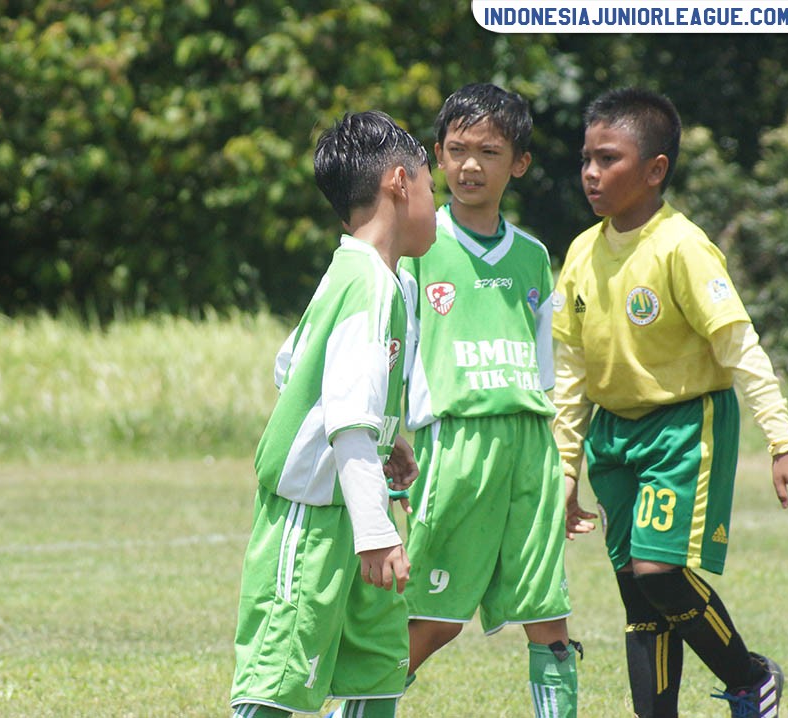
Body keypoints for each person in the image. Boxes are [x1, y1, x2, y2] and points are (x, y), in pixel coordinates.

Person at [551, 88, 788, 717]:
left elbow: (740, 346)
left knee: (658, 573)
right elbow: (569, 374)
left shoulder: (682, 247)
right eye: (586, 158)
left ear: (655, 170)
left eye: (609, 159)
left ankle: (750, 675)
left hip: (682, 424)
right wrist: (566, 469)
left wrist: (783, 444)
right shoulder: (579, 254)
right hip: (612, 437)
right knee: (636, 596)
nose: (592, 173)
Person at [229, 110, 436, 718]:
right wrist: (377, 533)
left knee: (375, 677)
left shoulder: (370, 275)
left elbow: (291, 365)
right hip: (315, 520)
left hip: (357, 513)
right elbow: (346, 418)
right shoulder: (367, 283)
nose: (434, 201)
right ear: (400, 181)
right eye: (431, 184)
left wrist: (387, 434)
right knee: (278, 685)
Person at [396, 82, 585, 717]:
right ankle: (358, 704)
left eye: (489, 151)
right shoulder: (418, 248)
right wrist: (392, 437)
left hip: (530, 448)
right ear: (438, 158)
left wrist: (565, 467)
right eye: (457, 150)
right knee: (435, 618)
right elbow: (399, 348)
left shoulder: (533, 256)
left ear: (519, 163)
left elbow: (548, 372)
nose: (471, 164)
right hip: (456, 444)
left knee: (548, 614)